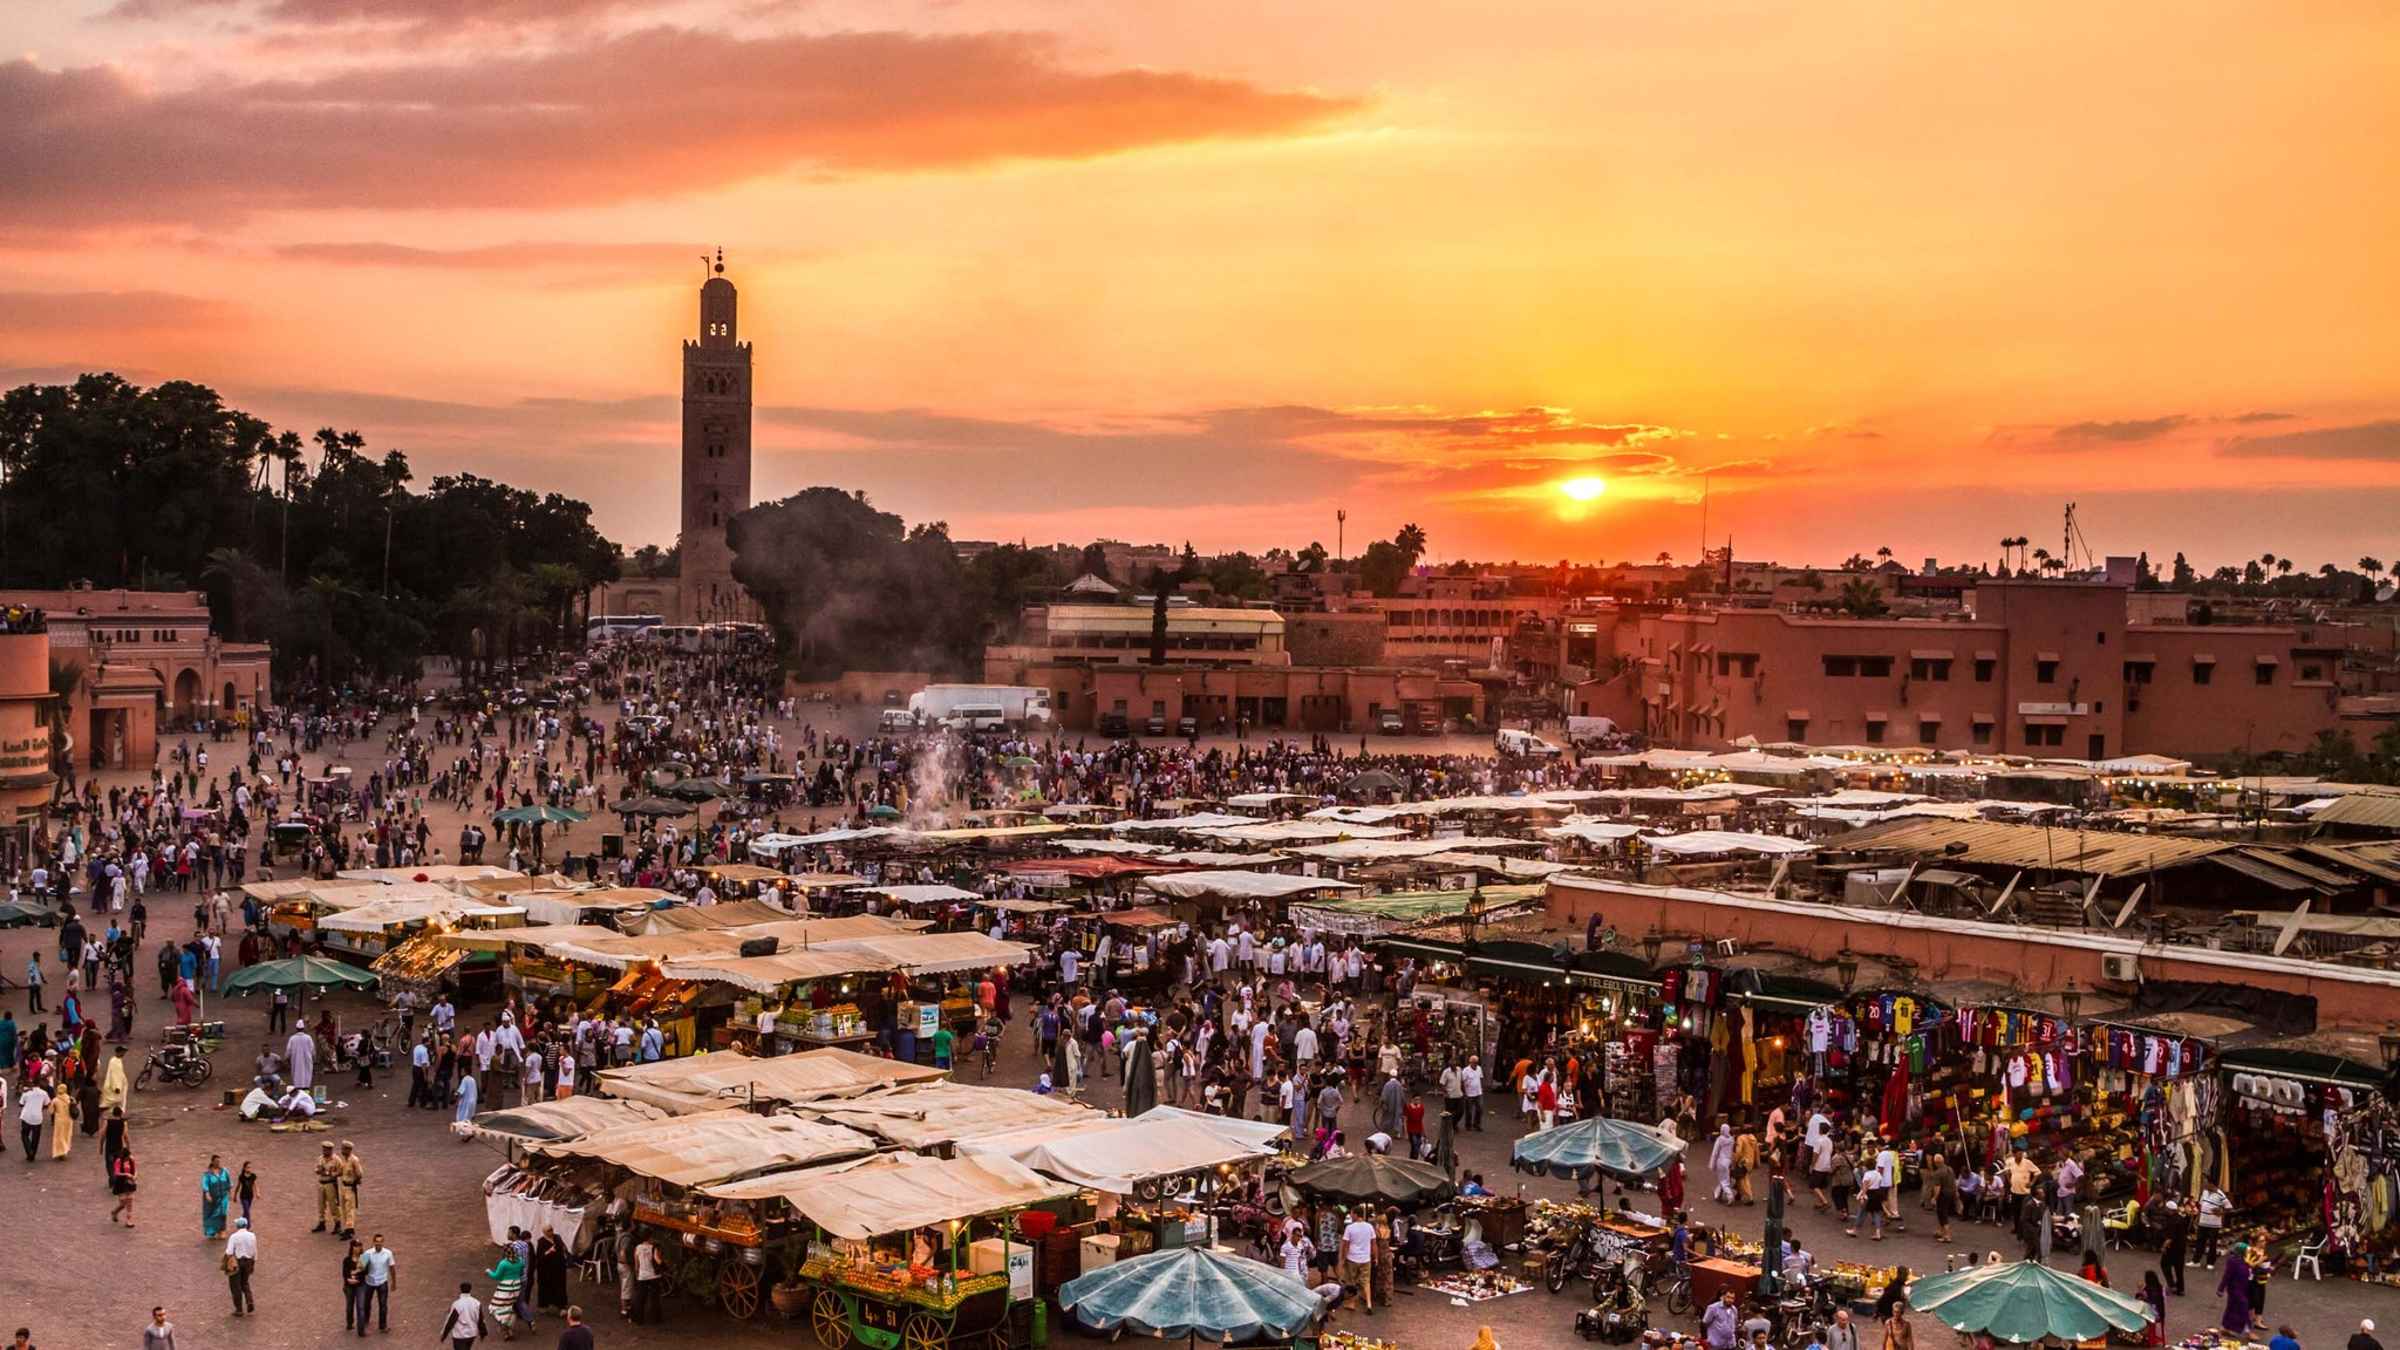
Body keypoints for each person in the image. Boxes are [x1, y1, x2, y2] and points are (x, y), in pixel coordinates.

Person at [487, 1239, 527, 1340]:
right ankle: (509, 1329)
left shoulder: (504, 1263)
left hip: (505, 1287)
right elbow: (521, 1273)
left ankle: (506, 1327)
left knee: (495, 1308)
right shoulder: (520, 1261)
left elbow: (496, 1276)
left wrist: (488, 1272)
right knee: (509, 1307)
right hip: (516, 1286)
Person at [1340, 1207, 1378, 1313]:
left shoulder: (1350, 1228)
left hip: (1352, 1258)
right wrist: (1376, 1257)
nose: (1351, 1216)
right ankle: (1369, 1304)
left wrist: (1343, 1259)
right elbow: (1374, 1244)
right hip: (1366, 1259)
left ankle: (1352, 1303)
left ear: (1356, 1214)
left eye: (1352, 1214)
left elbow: (1345, 1245)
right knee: (1366, 1282)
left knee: (1352, 1281)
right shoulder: (1369, 1227)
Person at [359, 1233, 397, 1335]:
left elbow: (392, 1268)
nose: (378, 1244)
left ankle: (383, 1326)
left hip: (382, 1282)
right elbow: (360, 1267)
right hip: (369, 1282)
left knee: (383, 1305)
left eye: (380, 1242)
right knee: (367, 1303)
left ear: (383, 1242)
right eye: (377, 1242)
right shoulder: (367, 1253)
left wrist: (394, 1282)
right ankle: (366, 1319)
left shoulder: (388, 1253)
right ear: (373, 1242)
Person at [2219, 1241, 2256, 1336]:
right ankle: (2249, 1330)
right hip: (2235, 1288)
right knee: (2243, 1307)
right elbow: (2227, 1275)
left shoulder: (2244, 1260)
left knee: (2232, 1307)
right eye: (2247, 1250)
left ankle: (2226, 1327)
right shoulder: (2233, 1261)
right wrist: (2221, 1288)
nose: (2248, 1252)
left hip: (2243, 1288)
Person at [224, 1216, 258, 1316]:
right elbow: (255, 1250)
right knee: (245, 1283)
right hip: (248, 1261)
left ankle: (239, 1309)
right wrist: (253, 1263)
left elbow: (229, 1251)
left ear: (237, 1226)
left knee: (235, 1286)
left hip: (237, 1262)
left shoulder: (234, 1236)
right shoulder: (252, 1235)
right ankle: (249, 1300)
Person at [534, 1228, 569, 1315]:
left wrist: (564, 1251)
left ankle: (561, 1306)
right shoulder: (541, 1242)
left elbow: (563, 1247)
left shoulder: (557, 1237)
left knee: (560, 1286)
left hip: (559, 1268)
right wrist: (549, 1251)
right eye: (549, 1231)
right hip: (547, 1270)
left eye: (551, 1229)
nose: (551, 1232)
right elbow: (539, 1256)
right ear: (544, 1232)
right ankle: (544, 1306)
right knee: (545, 1287)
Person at [631, 1232, 664, 1325]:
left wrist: (637, 1275)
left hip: (642, 1276)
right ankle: (656, 1319)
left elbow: (636, 1264)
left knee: (640, 1298)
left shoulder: (637, 1248)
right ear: (649, 1238)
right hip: (654, 1276)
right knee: (655, 1298)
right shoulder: (654, 1247)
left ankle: (639, 1319)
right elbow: (658, 1260)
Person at [442, 1282, 485, 1348]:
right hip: (472, 1333)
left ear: (460, 1289)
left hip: (459, 1334)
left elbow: (451, 1321)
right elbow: (480, 1319)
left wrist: (444, 1334)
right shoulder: (477, 1303)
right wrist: (483, 1332)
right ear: (470, 1289)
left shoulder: (457, 1304)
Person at [200, 1154, 232, 1239]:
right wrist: (207, 1195)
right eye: (216, 1161)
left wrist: (230, 1194)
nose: (218, 1163)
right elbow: (205, 1185)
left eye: (219, 1161)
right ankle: (213, 1231)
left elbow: (229, 1183)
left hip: (223, 1197)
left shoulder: (225, 1171)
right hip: (213, 1199)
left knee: (222, 1213)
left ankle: (222, 1230)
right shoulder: (207, 1174)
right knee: (212, 1215)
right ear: (212, 1162)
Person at [2139, 1272, 2168, 1347]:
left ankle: (2143, 1336)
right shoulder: (2161, 1287)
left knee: (2138, 1315)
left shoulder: (2148, 1289)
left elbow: (2148, 1302)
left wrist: (2141, 1291)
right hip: (2161, 1313)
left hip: (2153, 1315)